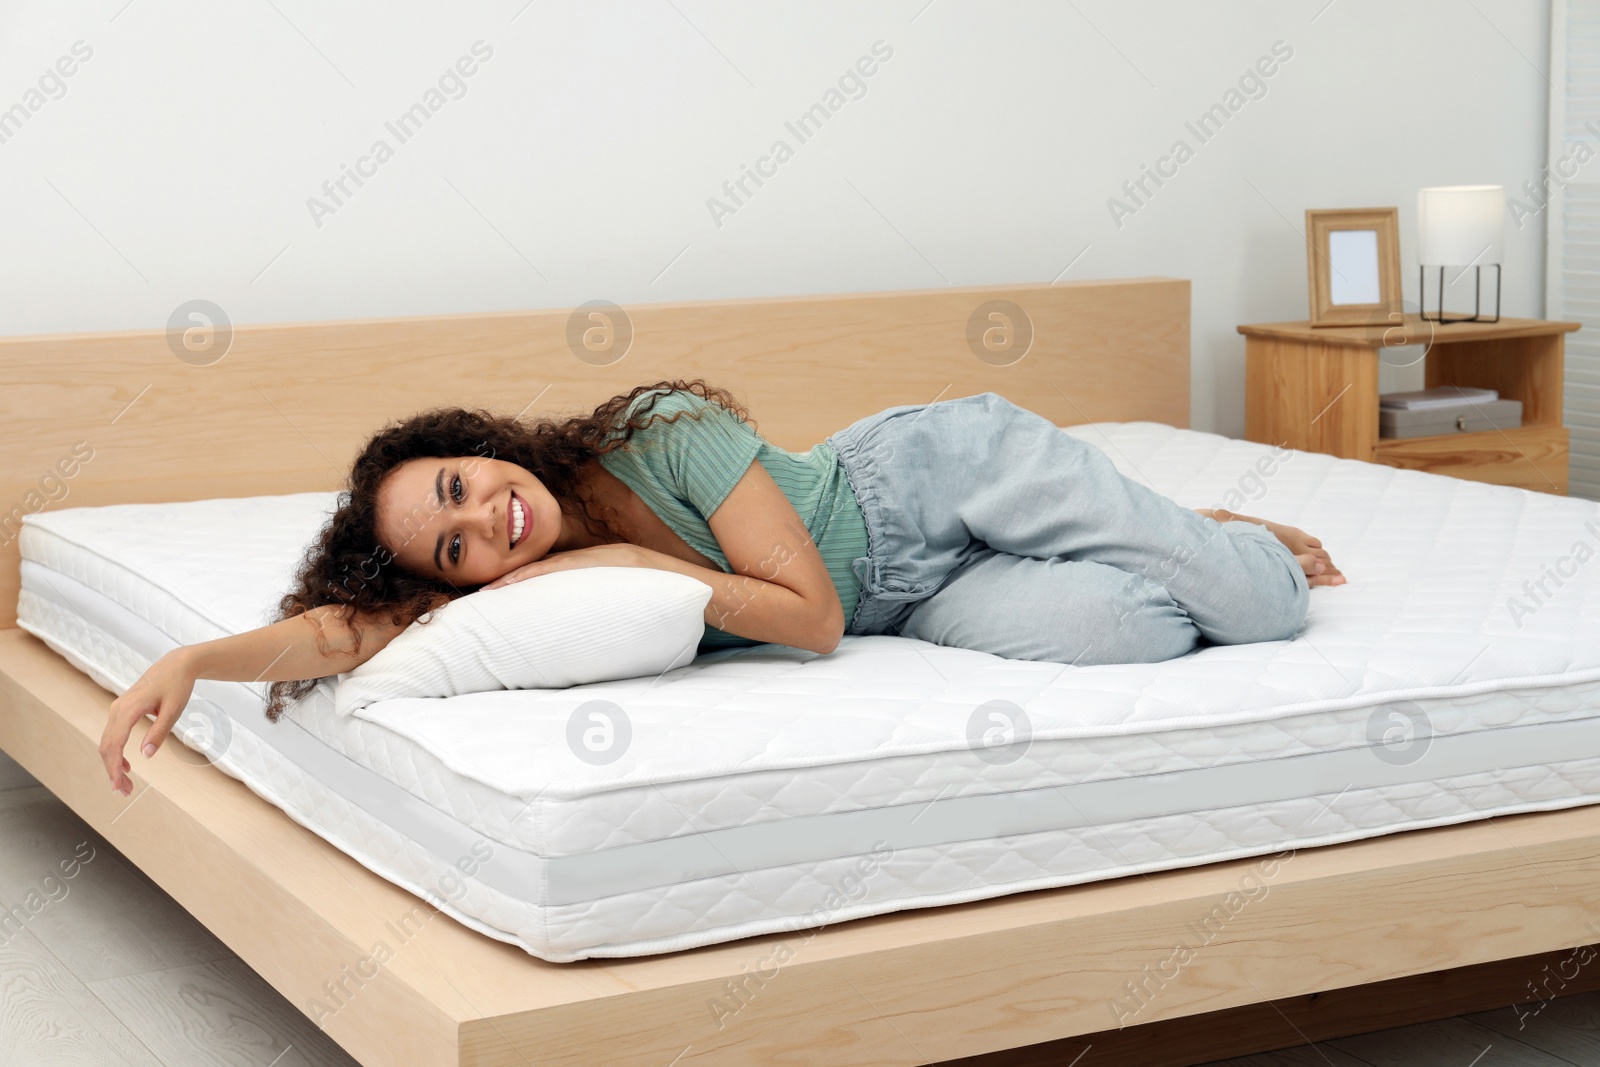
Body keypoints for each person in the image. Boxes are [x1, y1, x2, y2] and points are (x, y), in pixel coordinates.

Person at [100, 380, 1343, 795]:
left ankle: (1181, 526)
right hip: (915, 599)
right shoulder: (530, 586)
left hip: (932, 480)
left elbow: (806, 622)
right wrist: (192, 663)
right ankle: (1166, 529)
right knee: (1122, 628)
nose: (484, 520)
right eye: (457, 549)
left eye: (463, 486)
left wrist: (646, 565)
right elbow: (344, 628)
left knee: (1267, 610)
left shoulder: (666, 432)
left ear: (485, 443)